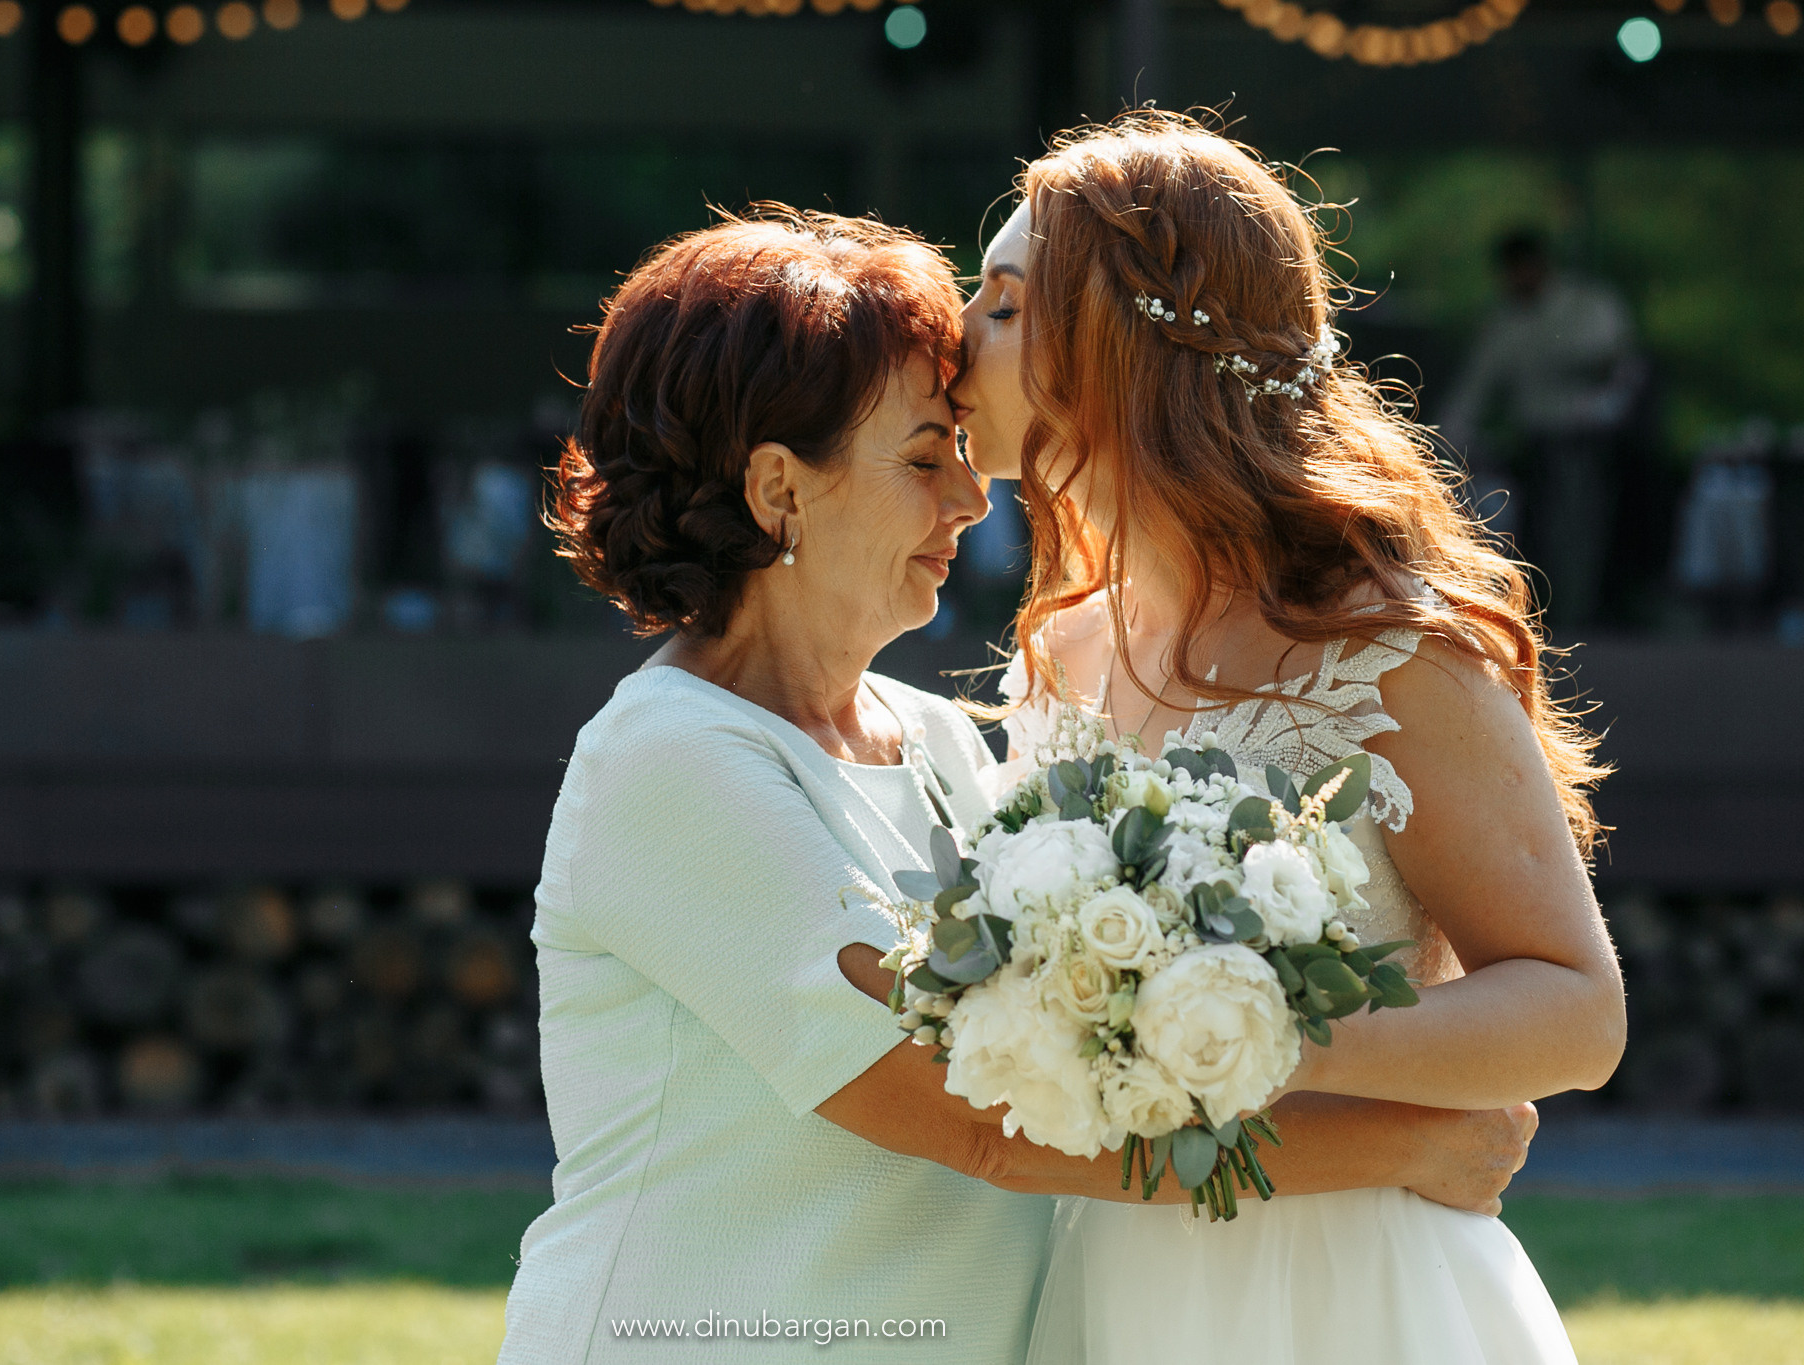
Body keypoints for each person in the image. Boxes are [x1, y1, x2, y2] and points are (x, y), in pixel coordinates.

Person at [502, 207, 1539, 1364]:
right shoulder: (670, 760)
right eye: (921, 457)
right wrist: (1399, 1147)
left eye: (961, 444)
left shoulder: (945, 742)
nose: (971, 497)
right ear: (778, 489)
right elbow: (968, 1119)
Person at [948, 113, 1626, 1363]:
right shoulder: (1058, 649)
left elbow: (1575, 1013)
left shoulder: (1387, 651)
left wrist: (1240, 1031)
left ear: (1117, 347)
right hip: (1109, 1275)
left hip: (1346, 1283)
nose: (956, 336)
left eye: (999, 304)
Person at [1440, 231, 1645, 632]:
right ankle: (1554, 616)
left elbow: (1621, 362)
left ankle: (1586, 614)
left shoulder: (1586, 305)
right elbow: (1474, 390)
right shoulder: (1505, 322)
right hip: (1535, 445)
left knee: (1583, 529)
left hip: (1591, 441)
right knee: (1543, 532)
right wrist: (1445, 435)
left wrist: (1601, 398)